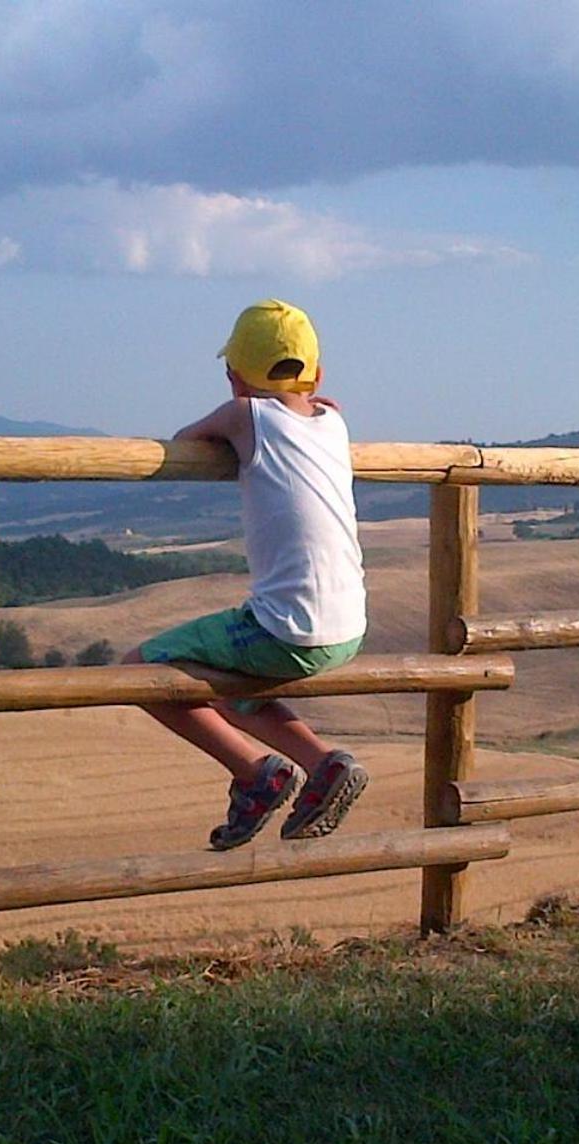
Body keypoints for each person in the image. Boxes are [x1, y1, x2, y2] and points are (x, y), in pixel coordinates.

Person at [125, 299, 369, 850]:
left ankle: (254, 770)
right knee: (228, 677)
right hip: (349, 627)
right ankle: (321, 763)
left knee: (139, 668)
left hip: (285, 630)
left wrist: (229, 419)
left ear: (234, 376)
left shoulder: (243, 416)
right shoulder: (335, 421)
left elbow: (186, 438)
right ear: (318, 376)